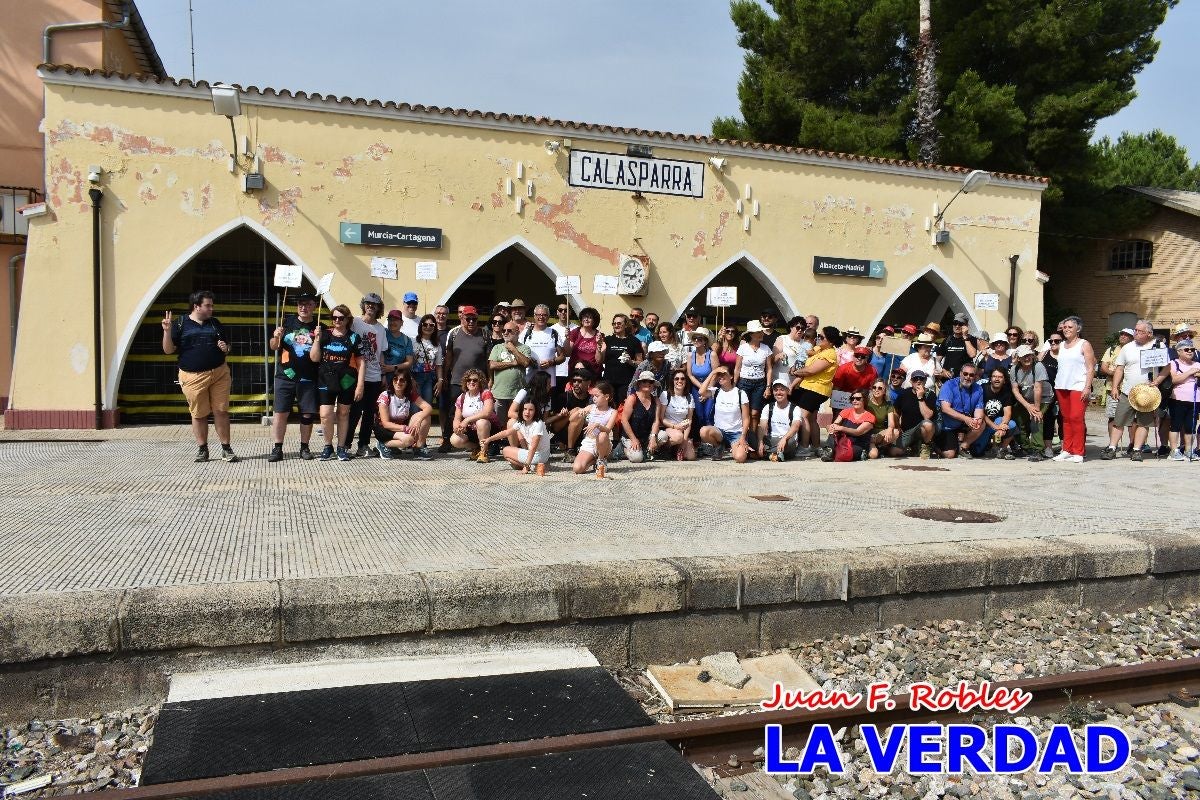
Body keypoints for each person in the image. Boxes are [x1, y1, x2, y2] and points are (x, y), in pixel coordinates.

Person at [162, 290, 238, 463]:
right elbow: (168, 350)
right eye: (208, 305)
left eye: (212, 305)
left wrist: (225, 348)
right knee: (199, 414)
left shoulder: (215, 323)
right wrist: (167, 331)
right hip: (193, 377)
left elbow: (228, 346)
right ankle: (202, 449)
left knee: (221, 411)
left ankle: (226, 448)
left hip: (219, 373)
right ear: (196, 306)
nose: (211, 309)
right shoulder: (180, 323)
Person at [1103, 319, 1166, 463]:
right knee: (1118, 421)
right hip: (1127, 391)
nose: (1136, 333)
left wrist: (1157, 381)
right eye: (1135, 330)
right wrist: (1114, 387)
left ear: (1149, 334)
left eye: (1140, 331)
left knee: (1144, 423)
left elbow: (1167, 367)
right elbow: (1119, 368)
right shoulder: (1128, 347)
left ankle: (1137, 450)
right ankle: (1112, 448)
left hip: (1147, 394)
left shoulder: (1158, 346)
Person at [267, 291, 319, 462]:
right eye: (300, 304)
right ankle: (277, 448)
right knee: (281, 413)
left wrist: (318, 339)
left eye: (308, 304)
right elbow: (274, 347)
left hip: (308, 377)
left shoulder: (320, 327)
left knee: (307, 414)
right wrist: (276, 337)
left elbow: (317, 358)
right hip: (285, 376)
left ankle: (304, 447)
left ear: (314, 306)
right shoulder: (287, 322)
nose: (303, 307)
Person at [310, 305, 365, 462]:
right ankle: (328, 447)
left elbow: (361, 363)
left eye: (341, 318)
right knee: (325, 415)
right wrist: (316, 339)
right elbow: (314, 358)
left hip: (347, 379)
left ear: (348, 319)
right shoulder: (324, 334)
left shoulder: (354, 337)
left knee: (343, 413)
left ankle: (341, 448)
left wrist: (360, 384)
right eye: (334, 318)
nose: (337, 321)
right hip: (326, 378)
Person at [345, 293, 387, 458]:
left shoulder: (381, 329)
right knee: (354, 412)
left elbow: (381, 352)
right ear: (363, 305)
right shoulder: (355, 322)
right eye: (368, 303)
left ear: (378, 308)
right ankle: (345, 444)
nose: (370, 306)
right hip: (356, 375)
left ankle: (363, 445)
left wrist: (383, 374)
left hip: (375, 376)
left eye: (374, 304)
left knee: (369, 414)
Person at [1050, 316, 1097, 463]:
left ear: (1078, 329)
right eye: (1065, 327)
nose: (1067, 329)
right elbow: (1047, 347)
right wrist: (1061, 326)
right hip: (1062, 385)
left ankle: (1078, 452)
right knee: (1066, 419)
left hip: (1078, 386)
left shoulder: (1084, 344)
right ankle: (1067, 450)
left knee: (1076, 418)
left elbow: (1091, 368)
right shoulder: (1061, 344)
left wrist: (1087, 387)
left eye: (1070, 327)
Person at [444, 306, 489, 453]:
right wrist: (444, 376)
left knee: (479, 411)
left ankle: (479, 442)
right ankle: (447, 440)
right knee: (453, 412)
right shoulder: (454, 333)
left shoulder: (484, 334)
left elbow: (489, 360)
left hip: (478, 382)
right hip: (457, 380)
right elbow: (449, 357)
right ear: (462, 318)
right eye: (467, 318)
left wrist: (490, 380)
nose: (470, 321)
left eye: (474, 319)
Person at [791, 327, 840, 456]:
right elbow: (807, 352)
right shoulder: (820, 349)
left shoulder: (830, 353)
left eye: (822, 337)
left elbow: (811, 370)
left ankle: (804, 447)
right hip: (810, 387)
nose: (818, 338)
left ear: (831, 341)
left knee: (803, 416)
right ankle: (816, 446)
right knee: (812, 418)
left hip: (816, 389)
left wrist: (795, 371)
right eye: (818, 336)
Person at [488, 321, 533, 445]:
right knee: (498, 421)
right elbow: (492, 364)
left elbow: (525, 363)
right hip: (499, 392)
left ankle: (513, 443)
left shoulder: (524, 348)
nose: (506, 333)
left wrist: (513, 349)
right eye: (504, 331)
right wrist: (512, 363)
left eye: (509, 331)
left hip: (517, 393)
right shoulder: (497, 347)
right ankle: (496, 443)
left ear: (517, 332)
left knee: (515, 421)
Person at [375, 369, 433, 460]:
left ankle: (419, 448)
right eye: (395, 379)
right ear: (392, 381)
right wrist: (405, 428)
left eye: (402, 380)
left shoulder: (409, 394)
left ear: (407, 383)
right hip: (384, 429)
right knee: (409, 440)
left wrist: (419, 420)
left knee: (426, 416)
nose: (398, 382)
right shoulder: (385, 395)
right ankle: (382, 444)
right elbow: (385, 423)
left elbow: (428, 408)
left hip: (400, 427)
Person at [1009, 345, 1051, 462]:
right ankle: (1025, 446)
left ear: (1032, 356)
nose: (1027, 358)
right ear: (1018, 358)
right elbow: (1015, 390)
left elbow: (1038, 388)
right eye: (1023, 356)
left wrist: (1036, 409)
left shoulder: (1038, 366)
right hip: (1026, 398)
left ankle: (1038, 450)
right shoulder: (1014, 369)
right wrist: (1027, 406)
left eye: (1029, 355)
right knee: (1017, 417)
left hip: (1043, 398)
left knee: (1036, 418)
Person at [698, 367, 750, 463]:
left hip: (736, 433)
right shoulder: (716, 391)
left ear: (731, 376)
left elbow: (746, 418)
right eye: (719, 375)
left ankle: (735, 447)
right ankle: (719, 446)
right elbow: (701, 391)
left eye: (724, 374)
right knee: (703, 431)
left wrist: (743, 437)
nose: (720, 377)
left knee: (740, 458)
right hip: (720, 432)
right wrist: (713, 372)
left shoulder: (740, 393)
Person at [735, 321, 774, 443]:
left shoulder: (766, 348)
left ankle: (752, 439)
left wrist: (768, 386)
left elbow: (769, 369)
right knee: (743, 412)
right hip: (744, 382)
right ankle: (743, 438)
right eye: (758, 332)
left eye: (761, 331)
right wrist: (734, 385)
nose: (761, 333)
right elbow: (737, 368)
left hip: (759, 384)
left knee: (755, 413)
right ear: (751, 334)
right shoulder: (743, 348)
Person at [937, 365, 985, 458]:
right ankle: (933, 444)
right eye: (965, 374)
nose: (968, 377)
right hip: (947, 426)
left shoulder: (978, 388)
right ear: (960, 374)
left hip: (963, 424)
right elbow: (945, 408)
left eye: (971, 375)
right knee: (949, 455)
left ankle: (963, 447)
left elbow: (979, 410)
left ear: (975, 376)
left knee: (981, 423)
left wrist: (977, 420)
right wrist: (966, 419)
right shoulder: (949, 385)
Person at [449, 368, 496, 462]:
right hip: (471, 430)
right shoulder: (462, 397)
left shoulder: (486, 393)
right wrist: (457, 428)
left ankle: (484, 451)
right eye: (468, 380)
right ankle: (477, 448)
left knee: (481, 422)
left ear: (480, 382)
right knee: (454, 440)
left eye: (475, 380)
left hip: (489, 429)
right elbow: (457, 418)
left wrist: (466, 420)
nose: (471, 382)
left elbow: (487, 412)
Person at [573, 380, 618, 475]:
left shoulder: (612, 412)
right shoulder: (591, 407)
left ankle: (601, 459)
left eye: (597, 396)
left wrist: (598, 425)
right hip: (589, 442)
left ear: (606, 397)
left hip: (603, 443)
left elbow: (608, 429)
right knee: (578, 469)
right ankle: (594, 460)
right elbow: (577, 415)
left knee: (602, 434)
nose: (594, 398)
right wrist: (580, 413)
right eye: (593, 396)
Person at [1100, 327, 1135, 450]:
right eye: (1122, 334)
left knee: (1132, 419)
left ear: (1132, 337)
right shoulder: (1111, 350)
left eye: (1126, 335)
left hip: (1131, 389)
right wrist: (1115, 374)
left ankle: (1133, 444)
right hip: (1112, 389)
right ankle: (1112, 444)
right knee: (1112, 417)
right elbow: (1103, 366)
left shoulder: (1134, 350)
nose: (1123, 336)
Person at [889, 371, 936, 458]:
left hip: (922, 432)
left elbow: (927, 416)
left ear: (925, 381)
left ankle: (925, 446)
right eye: (915, 379)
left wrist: (920, 397)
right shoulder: (904, 394)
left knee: (927, 424)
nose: (918, 381)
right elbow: (895, 411)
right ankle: (914, 448)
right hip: (907, 432)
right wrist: (897, 426)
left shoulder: (930, 395)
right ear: (911, 381)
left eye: (921, 379)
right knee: (893, 452)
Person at [1167, 339, 1200, 461]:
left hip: (1195, 399)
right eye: (1187, 349)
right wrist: (1190, 372)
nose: (1190, 351)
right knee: (1175, 425)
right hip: (1178, 399)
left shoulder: (1197, 364)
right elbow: (1174, 380)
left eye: (1192, 349)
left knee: (1190, 426)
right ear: (1179, 351)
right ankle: (1174, 450)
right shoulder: (1174, 363)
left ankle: (1188, 450)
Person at [821, 392, 875, 461]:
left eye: (858, 399)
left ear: (864, 400)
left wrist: (841, 428)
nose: (854, 401)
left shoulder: (869, 416)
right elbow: (835, 424)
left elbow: (858, 432)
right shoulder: (845, 411)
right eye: (852, 399)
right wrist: (831, 427)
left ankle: (831, 452)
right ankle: (829, 450)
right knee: (833, 434)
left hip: (857, 443)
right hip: (843, 441)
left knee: (845, 454)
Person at [978, 368, 1019, 459]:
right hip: (983, 424)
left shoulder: (1006, 392)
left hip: (997, 422)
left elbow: (1007, 413)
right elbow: (980, 413)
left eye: (1000, 377)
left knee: (1011, 424)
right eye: (994, 376)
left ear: (1004, 380)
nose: (997, 379)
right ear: (990, 378)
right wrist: (996, 427)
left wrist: (1002, 426)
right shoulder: (982, 390)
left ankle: (1001, 449)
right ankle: (989, 445)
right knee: (977, 452)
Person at [621, 370, 661, 463]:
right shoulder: (632, 398)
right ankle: (623, 450)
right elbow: (624, 420)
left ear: (654, 385)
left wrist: (653, 437)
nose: (647, 383)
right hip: (630, 436)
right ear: (639, 384)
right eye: (644, 381)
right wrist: (633, 439)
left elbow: (656, 421)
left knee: (663, 436)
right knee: (637, 458)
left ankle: (647, 449)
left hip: (646, 436)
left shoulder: (656, 400)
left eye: (650, 382)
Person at [558, 366, 598, 459]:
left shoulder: (592, 399)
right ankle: (570, 450)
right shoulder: (564, 397)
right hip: (563, 430)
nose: (576, 384)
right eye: (574, 381)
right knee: (578, 411)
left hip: (584, 432)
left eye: (580, 381)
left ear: (588, 382)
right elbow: (554, 424)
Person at [758, 378, 803, 461]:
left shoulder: (795, 408)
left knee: (791, 442)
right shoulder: (768, 407)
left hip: (787, 440)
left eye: (782, 390)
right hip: (771, 439)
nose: (778, 393)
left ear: (787, 391)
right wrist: (760, 442)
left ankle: (766, 454)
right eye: (776, 390)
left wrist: (784, 439)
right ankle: (775, 455)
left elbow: (795, 427)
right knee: (750, 436)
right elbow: (762, 426)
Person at [658, 368, 697, 461]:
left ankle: (675, 449)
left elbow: (689, 420)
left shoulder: (689, 397)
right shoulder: (665, 394)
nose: (680, 381)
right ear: (672, 381)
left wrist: (685, 440)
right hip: (668, 427)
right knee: (678, 437)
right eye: (677, 379)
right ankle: (663, 449)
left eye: (682, 379)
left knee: (691, 457)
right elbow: (661, 418)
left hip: (683, 430)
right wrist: (675, 427)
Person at [603, 313, 644, 400]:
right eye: (614, 323)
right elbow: (600, 360)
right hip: (609, 381)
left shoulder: (634, 341)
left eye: (619, 323)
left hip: (626, 382)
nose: (616, 325)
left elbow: (641, 363)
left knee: (623, 408)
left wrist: (631, 361)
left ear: (626, 325)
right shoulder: (607, 340)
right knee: (608, 407)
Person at [521, 304, 564, 386]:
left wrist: (551, 362)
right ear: (534, 316)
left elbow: (562, 357)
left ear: (548, 317)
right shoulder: (525, 333)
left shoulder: (554, 333)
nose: (541, 317)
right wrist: (529, 360)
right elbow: (518, 353)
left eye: (544, 315)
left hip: (548, 383)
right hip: (528, 380)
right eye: (538, 315)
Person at [686, 327, 716, 430]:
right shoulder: (690, 355)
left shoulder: (712, 354)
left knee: (708, 414)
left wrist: (707, 391)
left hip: (711, 387)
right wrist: (702, 389)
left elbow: (715, 374)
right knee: (699, 415)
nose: (696, 340)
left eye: (700, 339)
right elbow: (690, 375)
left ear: (705, 341)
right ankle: (703, 441)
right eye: (694, 338)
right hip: (696, 388)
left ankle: (711, 441)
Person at [411, 313, 443, 405]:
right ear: (421, 326)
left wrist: (440, 380)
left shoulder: (437, 345)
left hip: (429, 379)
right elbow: (408, 362)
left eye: (431, 325)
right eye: (425, 324)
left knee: (427, 407)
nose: (428, 327)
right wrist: (411, 379)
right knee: (415, 408)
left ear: (434, 327)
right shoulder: (413, 341)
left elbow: (438, 365)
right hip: (415, 377)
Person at [565, 307, 605, 377]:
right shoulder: (575, 332)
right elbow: (567, 353)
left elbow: (599, 361)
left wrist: (599, 345)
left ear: (595, 320)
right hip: (576, 373)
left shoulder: (600, 336)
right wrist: (567, 338)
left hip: (593, 374)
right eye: (584, 317)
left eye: (589, 317)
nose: (586, 319)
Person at [865, 380, 899, 459]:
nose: (876, 390)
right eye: (874, 387)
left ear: (884, 391)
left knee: (896, 432)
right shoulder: (866, 402)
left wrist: (890, 429)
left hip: (881, 433)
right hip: (868, 433)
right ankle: (874, 448)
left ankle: (880, 447)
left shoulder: (888, 404)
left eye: (880, 388)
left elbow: (891, 423)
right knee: (873, 455)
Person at [937, 312, 977, 379]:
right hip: (948, 380)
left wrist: (965, 336)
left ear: (966, 325)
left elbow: (972, 354)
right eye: (955, 323)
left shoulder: (971, 339)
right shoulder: (947, 340)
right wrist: (942, 370)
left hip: (964, 379)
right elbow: (937, 360)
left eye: (960, 324)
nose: (957, 326)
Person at [381, 308, 415, 385]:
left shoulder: (406, 340)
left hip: (398, 380)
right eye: (390, 319)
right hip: (380, 378)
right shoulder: (382, 333)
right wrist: (383, 375)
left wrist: (393, 367)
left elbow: (409, 362)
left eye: (395, 320)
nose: (392, 322)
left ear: (401, 323)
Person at [774, 317, 810, 387]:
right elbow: (771, 361)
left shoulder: (805, 344)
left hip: (796, 384)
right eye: (798, 327)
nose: (800, 330)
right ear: (791, 327)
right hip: (780, 381)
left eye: (803, 329)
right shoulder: (782, 339)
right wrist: (778, 356)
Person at [551, 301, 578, 389]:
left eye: (566, 310)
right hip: (556, 371)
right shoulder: (551, 329)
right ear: (557, 312)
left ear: (570, 312)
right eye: (561, 310)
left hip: (571, 370)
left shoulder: (577, 329)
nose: (563, 312)